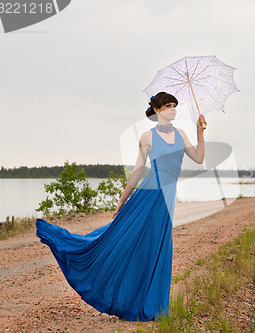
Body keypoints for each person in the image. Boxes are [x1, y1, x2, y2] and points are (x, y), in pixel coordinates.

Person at [35, 91, 206, 321]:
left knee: (157, 248)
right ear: (156, 110)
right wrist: (122, 200)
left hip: (166, 199)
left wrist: (200, 132)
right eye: (167, 105)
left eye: (174, 105)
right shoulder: (147, 137)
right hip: (148, 196)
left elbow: (199, 158)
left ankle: (153, 306)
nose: (172, 109)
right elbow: (137, 171)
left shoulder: (182, 134)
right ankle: (125, 297)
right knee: (128, 241)